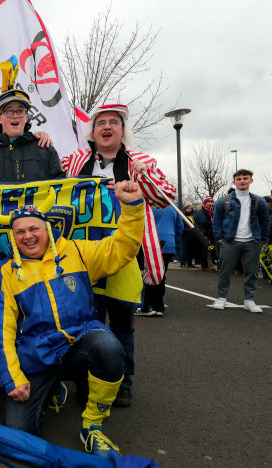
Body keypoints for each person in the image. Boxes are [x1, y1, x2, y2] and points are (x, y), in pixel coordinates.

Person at [0, 181, 145, 459]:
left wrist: (131, 208)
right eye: (20, 231)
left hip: (79, 345)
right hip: (37, 356)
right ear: (12, 237)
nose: (28, 236)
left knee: (109, 347)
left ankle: (92, 424)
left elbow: (123, 248)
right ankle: (51, 389)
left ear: (46, 228)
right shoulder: (7, 272)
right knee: (18, 435)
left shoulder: (76, 251)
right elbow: (2, 331)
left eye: (34, 228)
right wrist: (13, 378)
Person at [61, 104, 176, 407]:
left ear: (123, 131)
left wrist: (146, 176)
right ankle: (88, 382)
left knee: (122, 325)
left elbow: (167, 198)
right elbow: (46, 178)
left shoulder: (141, 162)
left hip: (125, 256)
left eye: (114, 122)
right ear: (93, 131)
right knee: (88, 323)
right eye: (101, 123)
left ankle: (124, 382)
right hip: (86, 257)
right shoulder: (75, 161)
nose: (107, 127)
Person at [212, 169, 270, 313]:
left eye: (245, 178)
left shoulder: (259, 200)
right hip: (230, 241)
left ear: (251, 180)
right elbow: (217, 220)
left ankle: (249, 300)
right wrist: (219, 238)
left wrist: (262, 239)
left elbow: (265, 220)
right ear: (234, 182)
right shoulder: (223, 200)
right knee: (225, 271)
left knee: (252, 272)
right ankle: (221, 298)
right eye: (239, 179)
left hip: (252, 241)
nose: (242, 181)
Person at [0, 88, 61, 182]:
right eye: (9, 111)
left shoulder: (45, 149)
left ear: (26, 117)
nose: (15, 116)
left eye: (20, 111)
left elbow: (61, 188)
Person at [137, 206, 183, 317]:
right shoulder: (173, 207)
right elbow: (179, 227)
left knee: (149, 275)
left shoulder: (148, 206)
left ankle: (148, 305)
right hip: (168, 243)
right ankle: (158, 305)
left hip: (151, 243)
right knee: (161, 276)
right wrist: (172, 240)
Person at [194, 196, 215, 272]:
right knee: (205, 249)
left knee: (209, 249)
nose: (210, 203)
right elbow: (204, 222)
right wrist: (214, 224)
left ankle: (208, 264)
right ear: (205, 203)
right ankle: (204, 266)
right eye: (208, 202)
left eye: (211, 202)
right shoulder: (201, 212)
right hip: (204, 233)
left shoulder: (210, 211)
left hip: (210, 232)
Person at [179, 203, 197, 269]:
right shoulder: (183, 217)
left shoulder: (192, 216)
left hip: (191, 235)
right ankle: (182, 263)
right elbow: (182, 227)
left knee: (190, 250)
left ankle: (189, 263)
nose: (189, 210)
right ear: (184, 210)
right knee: (184, 250)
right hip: (185, 235)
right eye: (188, 209)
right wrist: (191, 230)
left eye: (190, 209)